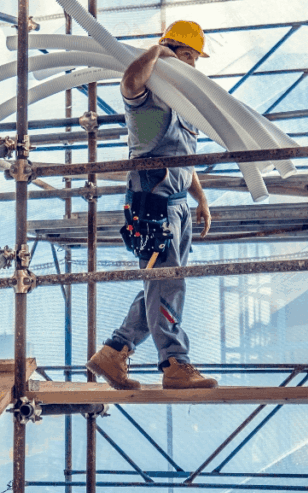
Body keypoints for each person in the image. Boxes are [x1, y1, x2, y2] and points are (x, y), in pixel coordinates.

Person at [86, 20, 218, 390]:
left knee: (161, 285)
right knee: (166, 284)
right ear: (173, 51)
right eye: (189, 55)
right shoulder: (149, 104)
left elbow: (182, 158)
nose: (193, 65)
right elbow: (129, 83)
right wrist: (158, 52)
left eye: (195, 58)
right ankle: (175, 363)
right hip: (154, 206)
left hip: (177, 205)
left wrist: (201, 199)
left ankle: (115, 351)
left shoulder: (181, 106)